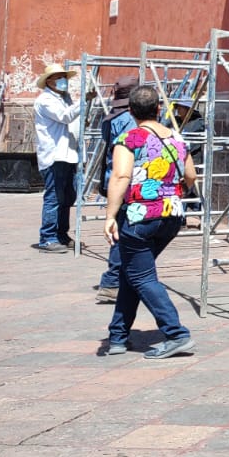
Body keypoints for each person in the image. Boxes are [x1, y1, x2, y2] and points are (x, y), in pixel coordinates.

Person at [101, 84, 196, 358]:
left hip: (139, 216)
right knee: (132, 271)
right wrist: (172, 192)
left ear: (131, 111)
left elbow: (121, 176)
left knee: (141, 276)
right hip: (171, 215)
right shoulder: (177, 138)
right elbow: (191, 176)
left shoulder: (130, 138)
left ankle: (176, 334)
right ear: (159, 109)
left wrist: (110, 215)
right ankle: (118, 335)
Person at [94, 75, 140, 304]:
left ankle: (120, 279)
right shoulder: (129, 120)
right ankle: (112, 281)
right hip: (125, 178)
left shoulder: (111, 117)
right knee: (123, 231)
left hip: (114, 177)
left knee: (122, 228)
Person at [32, 62, 82, 252]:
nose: (63, 81)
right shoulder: (46, 100)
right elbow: (65, 117)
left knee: (68, 197)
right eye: (59, 78)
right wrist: (83, 102)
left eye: (64, 77)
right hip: (54, 155)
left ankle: (62, 233)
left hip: (69, 153)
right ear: (49, 81)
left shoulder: (64, 99)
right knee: (54, 197)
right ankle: (47, 237)